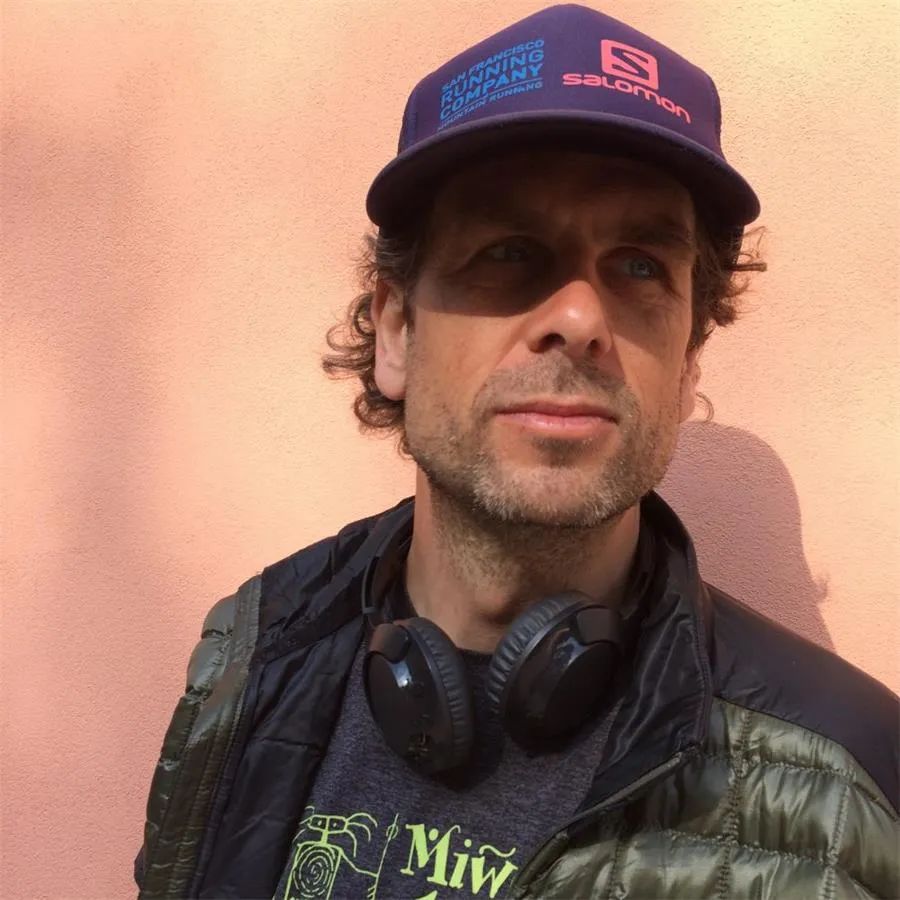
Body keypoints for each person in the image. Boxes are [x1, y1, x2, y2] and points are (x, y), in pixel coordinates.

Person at [135, 4, 899, 898]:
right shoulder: (252, 655)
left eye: (641, 266)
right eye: (507, 252)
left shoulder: (857, 780)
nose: (579, 318)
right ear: (395, 333)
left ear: (689, 358)